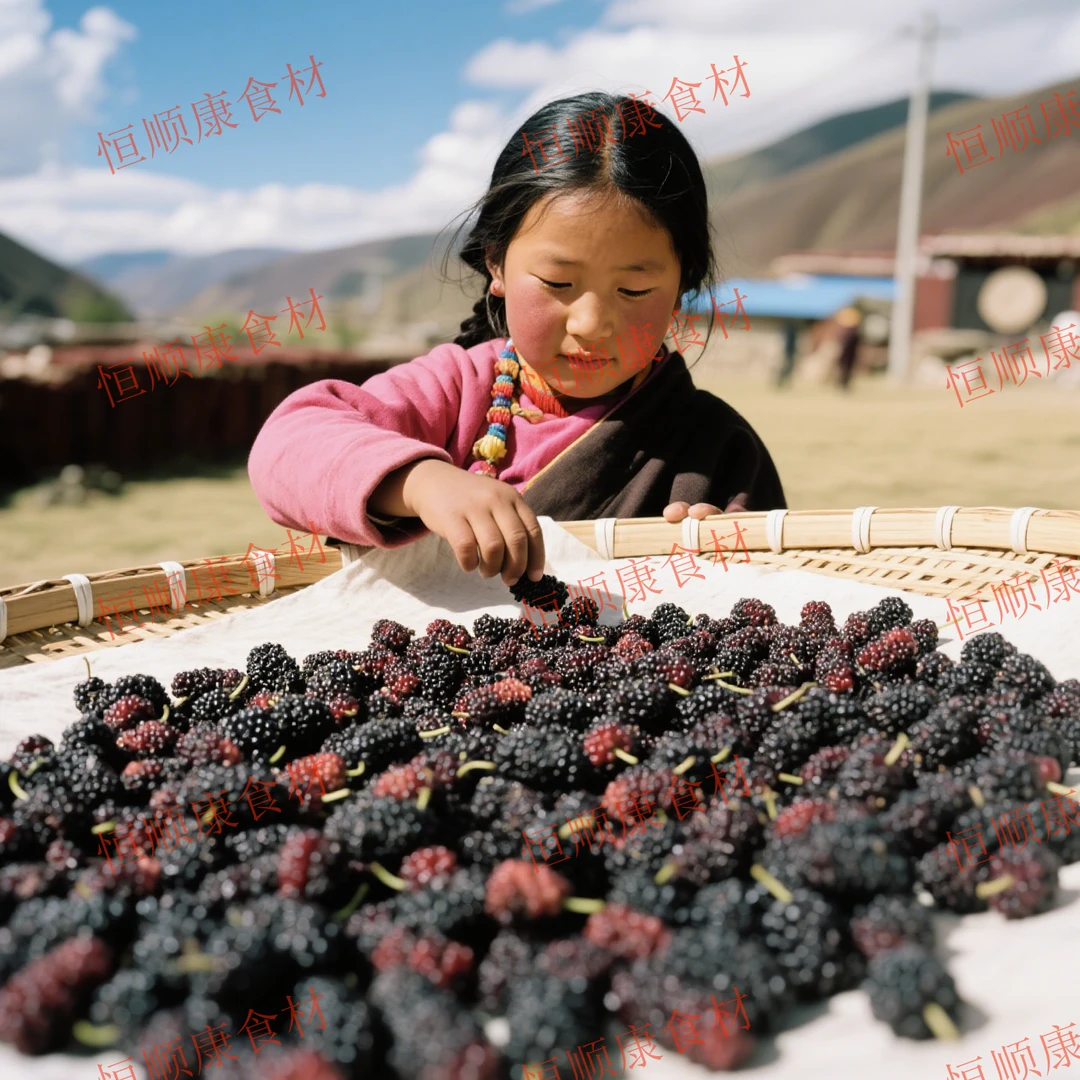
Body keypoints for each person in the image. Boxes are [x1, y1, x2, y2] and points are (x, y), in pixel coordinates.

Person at [248, 91, 786, 587]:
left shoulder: (717, 449)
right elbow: (288, 444)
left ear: (680, 286)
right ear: (497, 263)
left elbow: (771, 593)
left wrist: (717, 563)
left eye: (634, 287)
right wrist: (421, 482)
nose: (590, 323)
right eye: (557, 283)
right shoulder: (458, 388)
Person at [835, 307, 862, 390]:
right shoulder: (849, 314)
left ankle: (844, 384)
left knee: (846, 369)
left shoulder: (850, 334)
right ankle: (842, 384)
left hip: (848, 355)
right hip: (846, 355)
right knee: (843, 369)